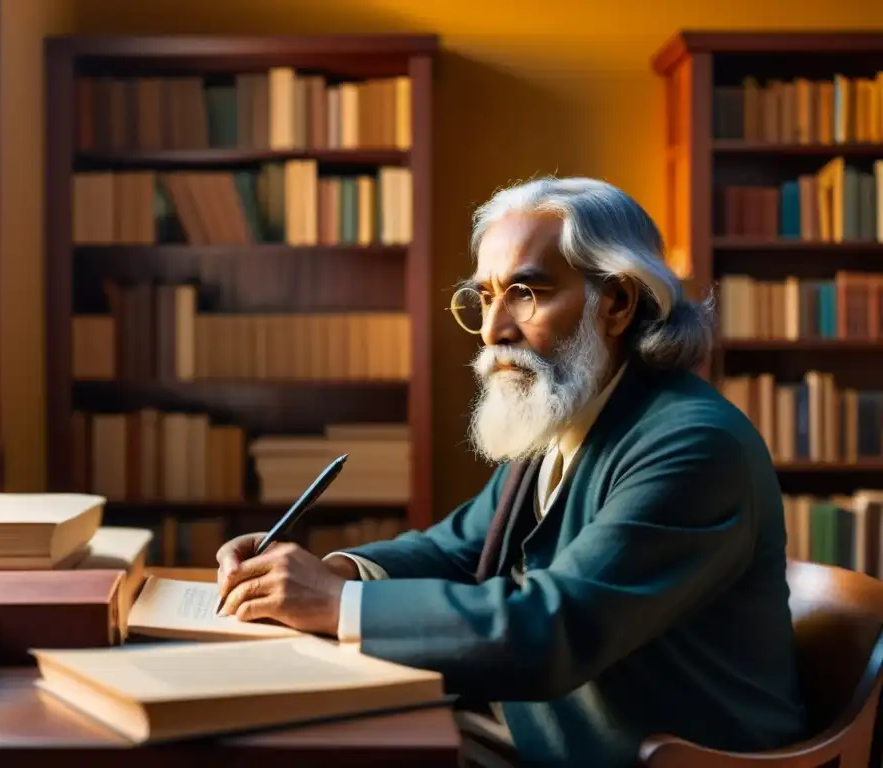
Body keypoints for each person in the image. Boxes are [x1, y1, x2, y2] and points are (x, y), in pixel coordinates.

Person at [215, 176, 808, 767]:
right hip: (531, 730)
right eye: (485, 298)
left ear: (619, 302)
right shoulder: (568, 408)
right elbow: (455, 551)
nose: (494, 331)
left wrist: (336, 602)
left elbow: (552, 629)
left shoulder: (694, 445)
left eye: (525, 293)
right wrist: (333, 572)